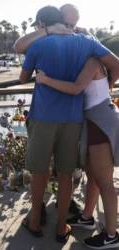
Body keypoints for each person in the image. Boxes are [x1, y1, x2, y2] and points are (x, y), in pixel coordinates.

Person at [17, 5, 119, 244]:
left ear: (42, 24)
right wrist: (110, 85)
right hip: (75, 119)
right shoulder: (86, 43)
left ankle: (35, 221)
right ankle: (65, 225)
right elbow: (115, 63)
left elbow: (22, 71)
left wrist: (41, 74)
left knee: (41, 170)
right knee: (69, 174)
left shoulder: (41, 44)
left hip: (50, 116)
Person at [36, 59, 119, 249]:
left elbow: (75, 88)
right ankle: (87, 217)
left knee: (105, 182)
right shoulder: (83, 62)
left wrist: (45, 80)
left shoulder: (91, 61)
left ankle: (112, 235)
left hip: (101, 120)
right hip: (91, 120)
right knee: (93, 176)